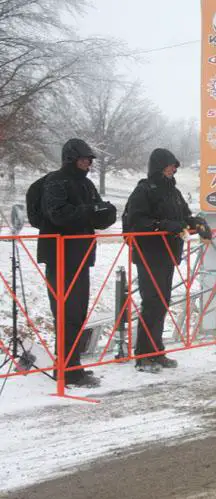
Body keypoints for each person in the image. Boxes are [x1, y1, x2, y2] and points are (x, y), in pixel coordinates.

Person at [38, 139, 117, 388]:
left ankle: (72, 365)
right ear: (70, 158)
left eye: (90, 160)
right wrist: (91, 209)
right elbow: (59, 215)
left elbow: (99, 218)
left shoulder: (86, 184)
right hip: (60, 255)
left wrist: (106, 212)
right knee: (66, 312)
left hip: (81, 255)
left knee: (78, 313)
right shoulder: (55, 182)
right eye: (83, 159)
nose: (88, 163)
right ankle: (67, 369)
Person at [125, 148, 211, 373]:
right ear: (159, 166)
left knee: (162, 302)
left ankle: (157, 351)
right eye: (170, 165)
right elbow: (137, 221)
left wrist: (198, 223)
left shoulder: (173, 191)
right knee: (151, 302)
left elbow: (183, 218)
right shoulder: (144, 190)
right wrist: (163, 225)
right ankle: (144, 355)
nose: (174, 168)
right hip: (150, 253)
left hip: (168, 254)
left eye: (174, 166)